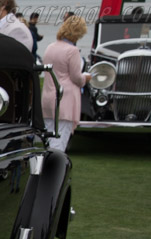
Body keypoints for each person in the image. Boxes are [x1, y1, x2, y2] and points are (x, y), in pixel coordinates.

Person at [42, 15, 90, 153]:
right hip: (65, 98)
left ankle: (45, 167)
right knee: (60, 139)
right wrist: (86, 77)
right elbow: (77, 78)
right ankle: (53, 170)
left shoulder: (50, 47)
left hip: (48, 96)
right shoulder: (72, 51)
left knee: (49, 137)